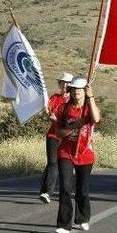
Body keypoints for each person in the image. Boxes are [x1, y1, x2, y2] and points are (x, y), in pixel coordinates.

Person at [54, 76, 101, 233]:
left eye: (79, 90)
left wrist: (91, 97)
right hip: (66, 151)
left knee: (82, 189)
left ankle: (82, 218)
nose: (76, 92)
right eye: (73, 89)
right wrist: (74, 128)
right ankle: (64, 224)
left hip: (85, 153)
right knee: (65, 188)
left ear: (84, 91)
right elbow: (58, 132)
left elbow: (96, 119)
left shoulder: (89, 107)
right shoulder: (64, 108)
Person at [39, 72, 72, 204]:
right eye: (62, 82)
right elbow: (48, 110)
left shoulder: (73, 101)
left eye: (67, 83)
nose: (64, 85)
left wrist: (56, 120)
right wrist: (47, 112)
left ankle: (45, 190)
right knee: (53, 163)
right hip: (53, 135)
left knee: (58, 164)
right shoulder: (54, 98)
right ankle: (47, 192)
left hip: (67, 137)